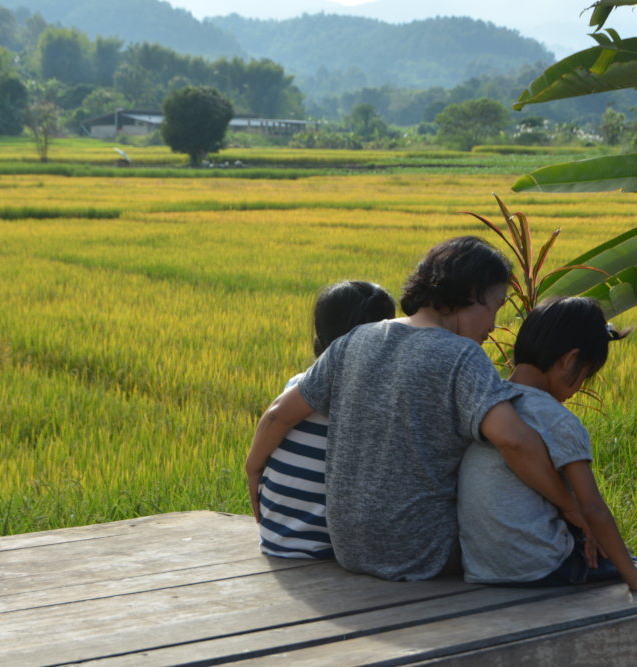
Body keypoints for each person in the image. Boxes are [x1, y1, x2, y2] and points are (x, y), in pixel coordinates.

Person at [247, 236, 587, 581]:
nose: (494, 324)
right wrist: (571, 505)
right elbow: (514, 442)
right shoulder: (463, 356)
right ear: (472, 292)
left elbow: (278, 414)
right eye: (495, 307)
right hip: (424, 554)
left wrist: (252, 469)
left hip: (349, 549)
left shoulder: (357, 338)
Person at [457, 297, 637, 591]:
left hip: (482, 567)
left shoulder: (491, 404)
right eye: (585, 375)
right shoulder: (556, 418)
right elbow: (592, 508)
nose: (578, 390)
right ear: (569, 359)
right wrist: (635, 578)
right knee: (631, 561)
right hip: (539, 568)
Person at [256, 280, 397, 559]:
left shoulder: (298, 386)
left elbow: (274, 419)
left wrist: (252, 468)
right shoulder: (373, 398)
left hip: (277, 537)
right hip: (328, 551)